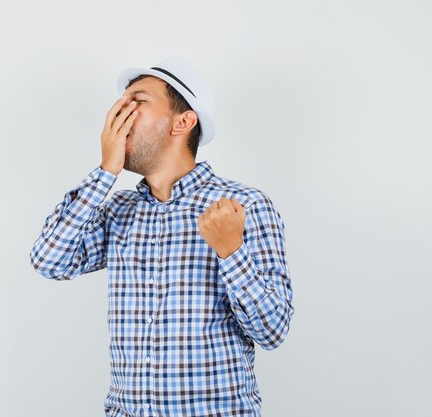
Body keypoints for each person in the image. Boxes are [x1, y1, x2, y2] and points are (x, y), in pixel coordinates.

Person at [29, 55, 295, 417]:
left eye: (137, 101)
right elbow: (49, 261)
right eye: (121, 102)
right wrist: (106, 171)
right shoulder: (118, 210)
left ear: (183, 122)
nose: (119, 113)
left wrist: (232, 253)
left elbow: (273, 330)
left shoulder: (243, 205)